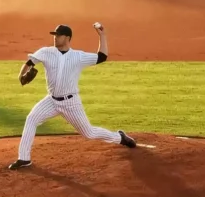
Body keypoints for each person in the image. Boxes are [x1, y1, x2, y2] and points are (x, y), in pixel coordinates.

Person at [11, 22, 136, 170]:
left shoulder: (78, 56)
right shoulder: (46, 52)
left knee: (88, 133)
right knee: (31, 119)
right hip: (51, 101)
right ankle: (24, 159)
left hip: (71, 103)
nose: (55, 38)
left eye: (58, 35)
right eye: (54, 35)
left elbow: (102, 56)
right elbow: (30, 62)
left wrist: (102, 35)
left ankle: (120, 137)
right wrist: (21, 76)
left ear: (67, 38)